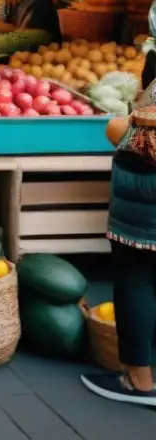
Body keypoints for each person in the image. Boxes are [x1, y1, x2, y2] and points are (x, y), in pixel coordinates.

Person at [82, 51, 156, 406]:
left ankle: (140, 381)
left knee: (136, 282)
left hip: (143, 211)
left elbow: (125, 135)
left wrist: (125, 124)